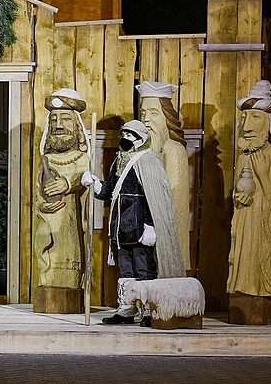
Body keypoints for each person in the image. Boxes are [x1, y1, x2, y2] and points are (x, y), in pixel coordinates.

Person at [81, 120, 185, 326]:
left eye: (130, 136)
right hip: (121, 226)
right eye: (124, 135)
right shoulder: (118, 161)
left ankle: (148, 311)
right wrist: (94, 184)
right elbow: (111, 191)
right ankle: (127, 309)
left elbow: (154, 197)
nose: (125, 139)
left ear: (140, 139)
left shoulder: (148, 161)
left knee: (144, 269)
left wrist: (149, 225)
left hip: (139, 226)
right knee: (126, 270)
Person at [227, 80, 271, 297]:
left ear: (268, 124)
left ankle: (258, 288)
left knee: (257, 253)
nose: (247, 126)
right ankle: (240, 286)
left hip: (261, 220)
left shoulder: (270, 153)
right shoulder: (243, 156)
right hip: (244, 218)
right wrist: (239, 195)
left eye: (255, 117)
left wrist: (261, 174)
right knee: (242, 252)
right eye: (244, 118)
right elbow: (239, 189)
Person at [34, 89, 90, 289]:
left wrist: (68, 183)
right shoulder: (45, 160)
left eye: (65, 119)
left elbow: (84, 178)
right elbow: (38, 194)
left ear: (76, 126)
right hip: (49, 224)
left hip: (71, 223)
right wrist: (42, 207)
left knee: (71, 262)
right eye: (54, 120)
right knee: (48, 262)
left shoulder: (81, 157)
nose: (58, 125)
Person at [137, 81, 191, 270]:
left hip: (165, 230)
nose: (146, 120)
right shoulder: (143, 152)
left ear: (167, 118)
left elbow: (174, 195)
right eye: (143, 113)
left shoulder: (173, 150)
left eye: (154, 113)